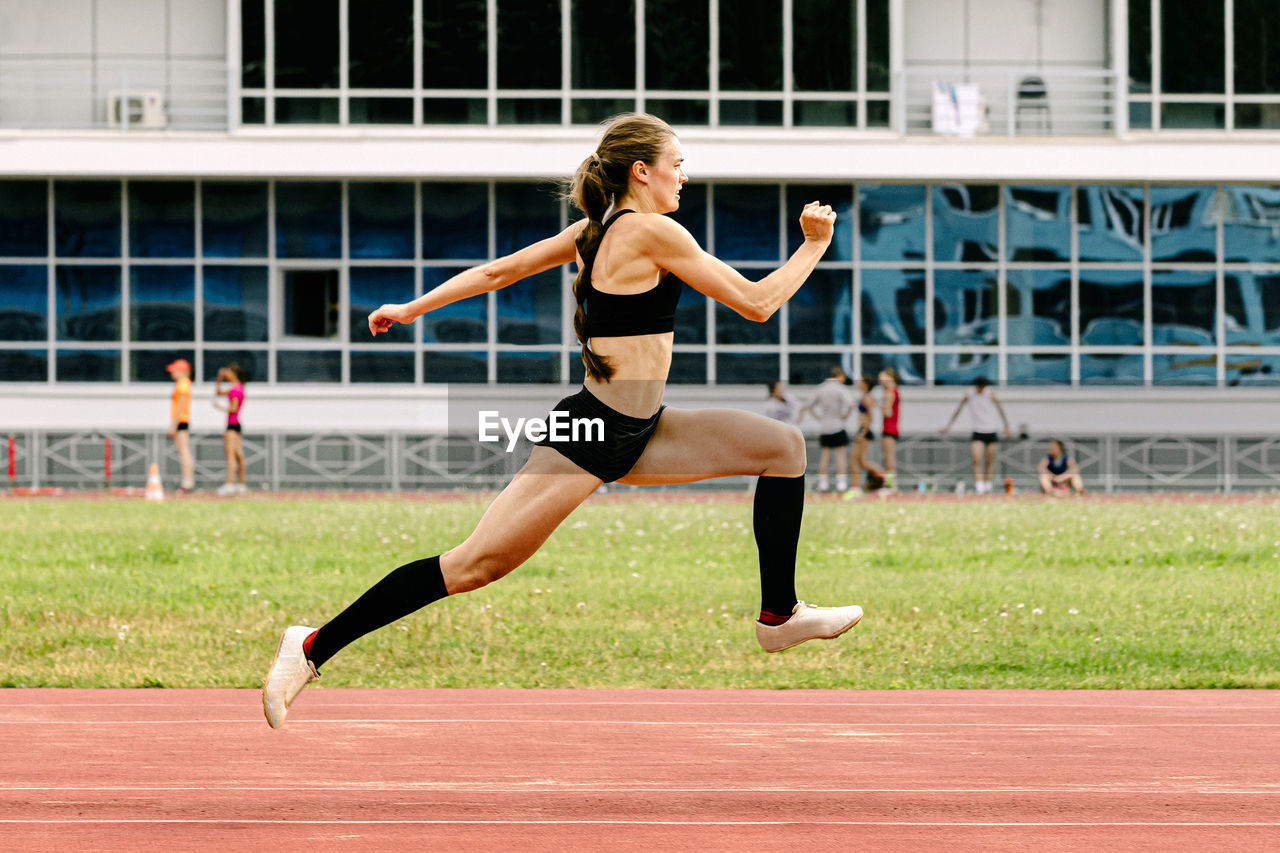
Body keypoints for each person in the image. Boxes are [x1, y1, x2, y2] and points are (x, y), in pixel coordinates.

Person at [262, 113, 863, 729]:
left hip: (644, 430)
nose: (684, 175)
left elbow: (500, 272)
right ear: (642, 171)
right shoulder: (652, 232)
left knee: (783, 447)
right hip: (593, 433)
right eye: (677, 164)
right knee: (473, 566)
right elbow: (758, 303)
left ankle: (779, 616)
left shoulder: (594, 232)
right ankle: (311, 646)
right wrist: (814, 243)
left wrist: (412, 308)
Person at [940, 375, 1011, 494]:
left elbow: (1000, 409)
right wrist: (948, 426)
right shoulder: (969, 394)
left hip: (990, 430)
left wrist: (1006, 427)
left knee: (990, 460)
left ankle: (988, 485)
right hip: (978, 431)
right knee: (977, 459)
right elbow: (958, 409)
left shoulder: (990, 394)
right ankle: (979, 485)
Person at [802, 365, 853, 492]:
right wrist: (845, 416)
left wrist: (818, 417)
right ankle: (841, 483)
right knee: (840, 455)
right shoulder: (840, 389)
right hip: (838, 425)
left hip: (825, 426)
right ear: (840, 376)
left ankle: (822, 482)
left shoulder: (821, 388)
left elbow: (808, 405)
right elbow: (851, 404)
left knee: (825, 455)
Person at [846, 375, 886, 496]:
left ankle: (856, 487)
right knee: (861, 462)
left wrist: (862, 433)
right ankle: (858, 486)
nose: (858, 383)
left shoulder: (867, 398)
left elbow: (871, 418)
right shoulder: (864, 397)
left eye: (860, 381)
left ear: (866, 384)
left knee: (854, 460)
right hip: (862, 429)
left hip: (864, 431)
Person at [213, 364, 246, 496]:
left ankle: (229, 484)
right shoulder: (238, 387)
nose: (227, 374)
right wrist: (219, 379)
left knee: (231, 456)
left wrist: (219, 407)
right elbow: (218, 392)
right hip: (237, 424)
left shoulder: (235, 390)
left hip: (232, 425)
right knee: (239, 456)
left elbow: (233, 408)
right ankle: (241, 484)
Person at [165, 358, 194, 493]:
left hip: (181, 421)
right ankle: (187, 481)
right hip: (181, 421)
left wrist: (173, 425)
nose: (172, 374)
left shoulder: (183, 384)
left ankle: (187, 482)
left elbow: (180, 407)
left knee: (184, 451)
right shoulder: (184, 384)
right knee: (183, 451)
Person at [877, 369, 901, 491]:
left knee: (889, 458)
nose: (880, 381)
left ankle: (890, 486)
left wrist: (878, 406)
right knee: (889, 457)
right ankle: (890, 484)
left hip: (889, 428)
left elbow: (888, 412)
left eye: (882, 378)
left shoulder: (889, 393)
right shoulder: (894, 391)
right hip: (892, 428)